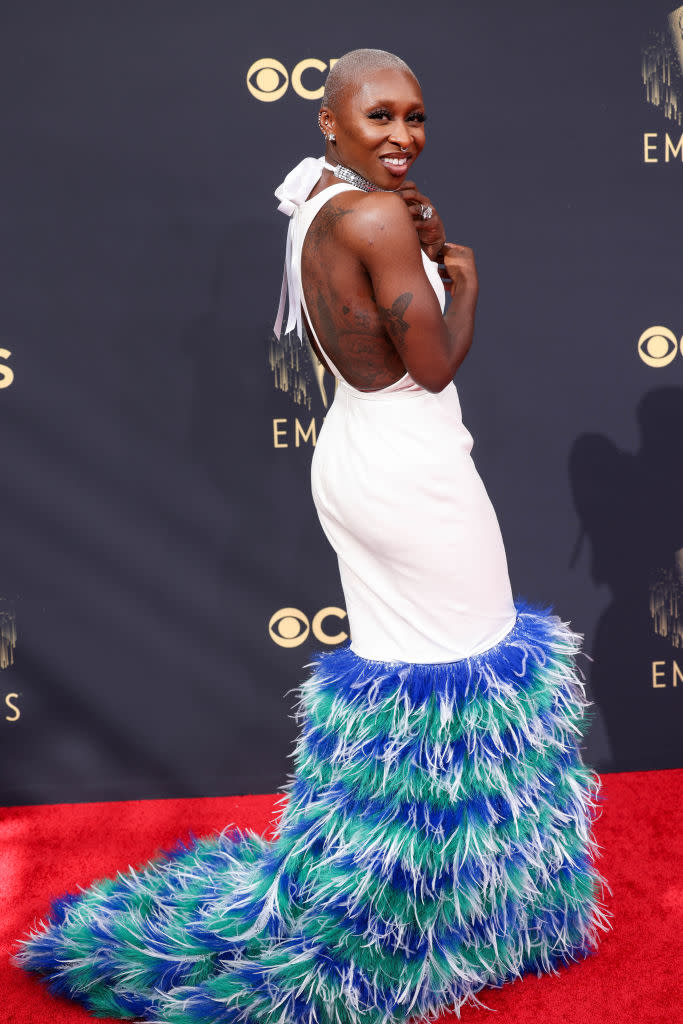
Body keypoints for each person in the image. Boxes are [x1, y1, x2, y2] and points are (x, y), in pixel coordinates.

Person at [14, 48, 612, 1023]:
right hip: (408, 469)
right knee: (461, 672)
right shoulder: (371, 214)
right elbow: (429, 359)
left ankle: (441, 899)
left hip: (363, 455)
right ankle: (433, 914)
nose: (402, 137)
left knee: (419, 672)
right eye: (378, 117)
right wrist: (464, 279)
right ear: (327, 122)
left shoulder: (325, 202)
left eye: (414, 117)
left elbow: (376, 319)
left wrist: (424, 244)